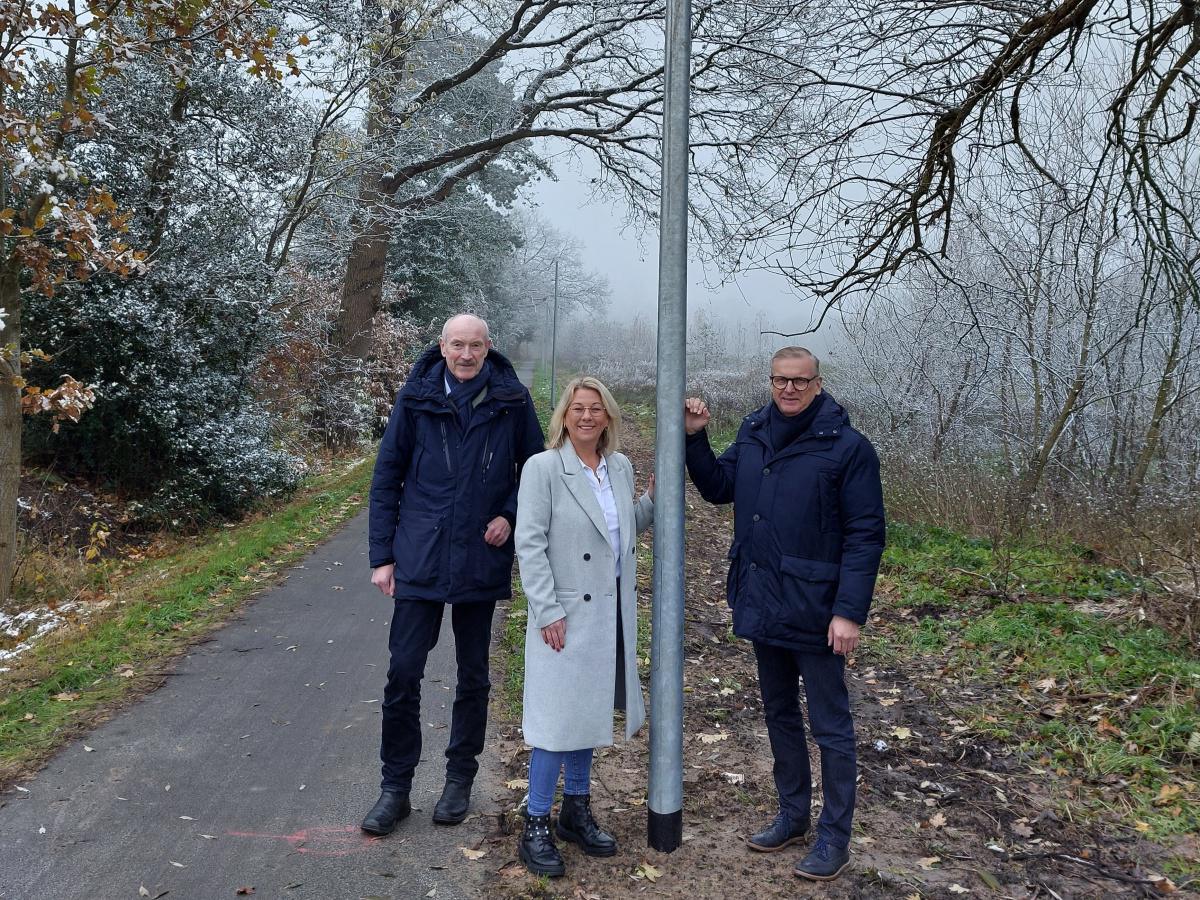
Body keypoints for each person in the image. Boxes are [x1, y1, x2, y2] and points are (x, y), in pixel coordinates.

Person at [683, 347, 885, 882]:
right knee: (778, 712)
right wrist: (695, 437)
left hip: (818, 610)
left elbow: (866, 536)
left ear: (818, 383)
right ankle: (793, 816)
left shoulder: (847, 449)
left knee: (831, 727)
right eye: (779, 380)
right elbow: (719, 488)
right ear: (770, 382)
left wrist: (849, 612)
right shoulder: (754, 432)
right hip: (762, 597)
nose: (788, 389)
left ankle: (834, 837)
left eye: (798, 381)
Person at [362, 313, 544, 836]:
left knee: (473, 675)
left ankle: (458, 780)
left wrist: (509, 515)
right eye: (457, 346)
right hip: (419, 554)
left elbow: (534, 472)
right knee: (403, 674)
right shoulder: (415, 398)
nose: (466, 355)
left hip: (478, 557)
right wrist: (382, 556)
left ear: (489, 349)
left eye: (475, 346)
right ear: (442, 348)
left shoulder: (511, 402)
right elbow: (386, 478)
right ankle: (394, 789)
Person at [513, 376, 654, 877]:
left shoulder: (619, 467)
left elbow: (618, 526)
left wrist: (653, 502)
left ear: (608, 417)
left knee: (586, 717)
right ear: (565, 417)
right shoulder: (544, 468)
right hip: (564, 616)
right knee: (554, 724)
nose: (588, 417)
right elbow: (528, 544)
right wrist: (547, 610)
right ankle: (534, 823)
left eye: (596, 409)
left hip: (608, 614)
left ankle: (575, 810)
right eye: (579, 409)